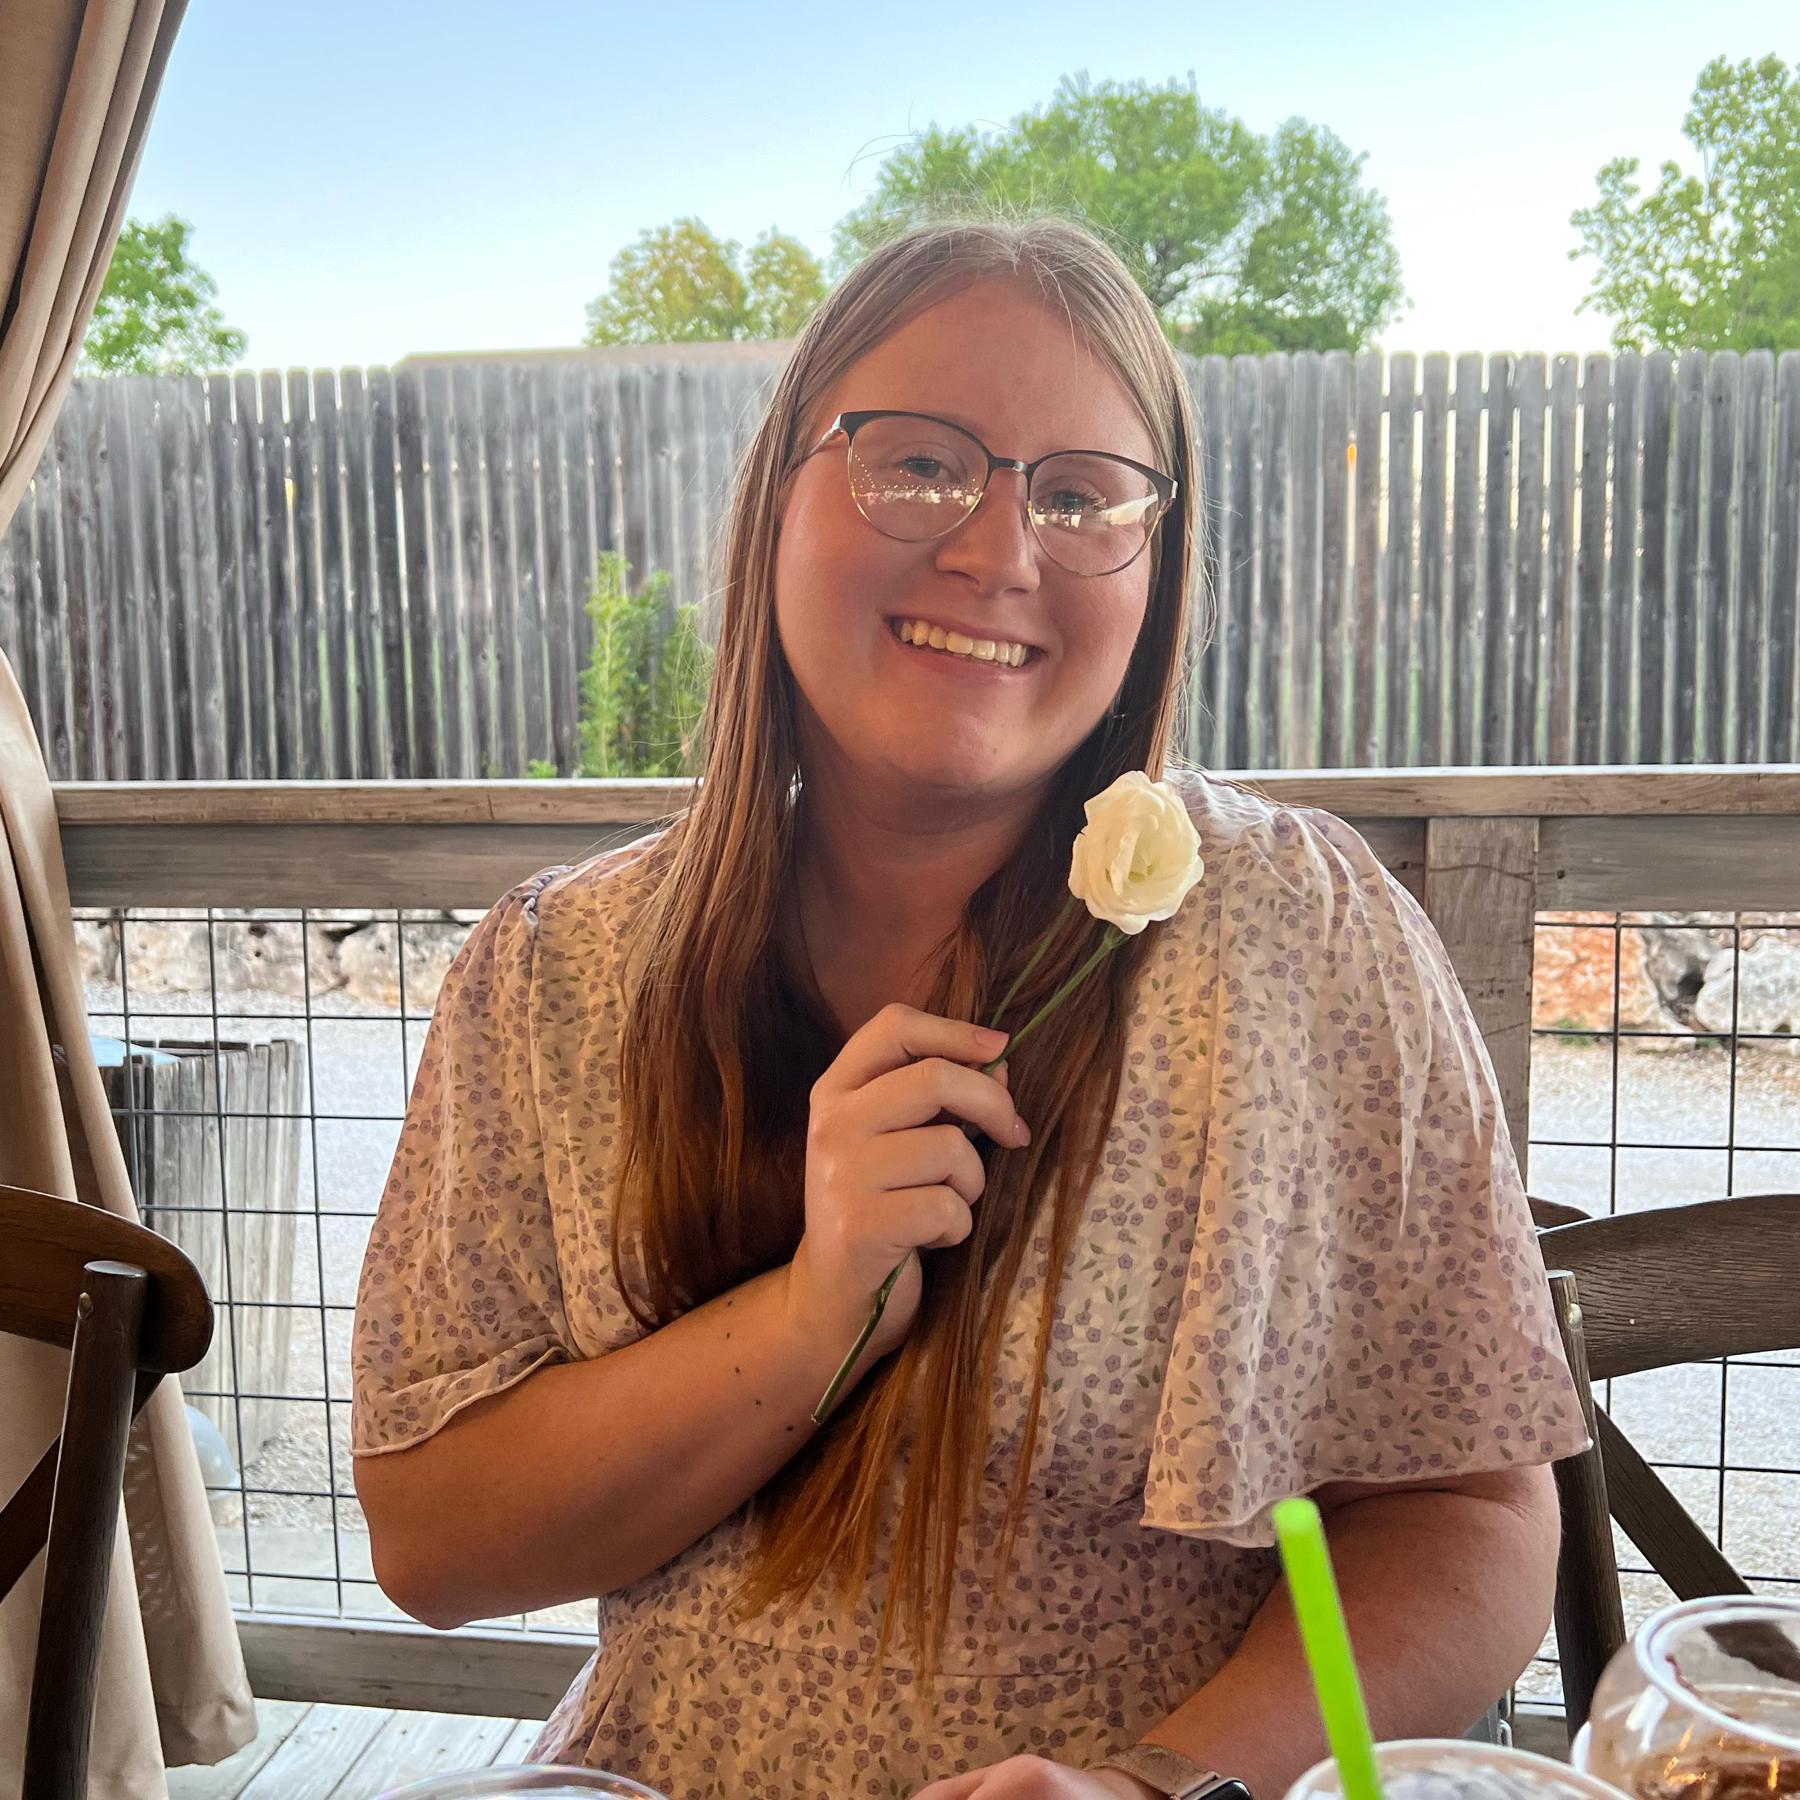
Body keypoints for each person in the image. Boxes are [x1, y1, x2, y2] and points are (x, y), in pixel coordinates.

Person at [351, 216, 1588, 1800]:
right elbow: (436, 1546)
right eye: (922, 464)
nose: (1001, 551)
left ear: (1155, 565)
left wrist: (1157, 1787)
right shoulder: (556, 969)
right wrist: (815, 1313)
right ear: (777, 493)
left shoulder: (1304, 936)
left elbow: (1471, 1514)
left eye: (1079, 495)